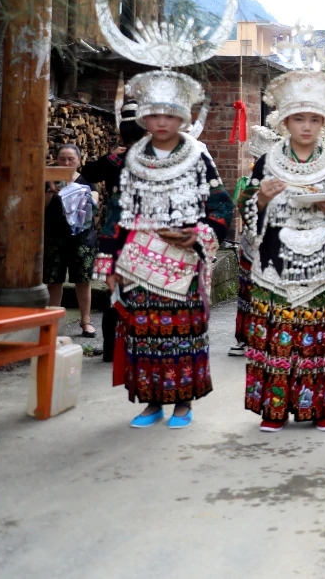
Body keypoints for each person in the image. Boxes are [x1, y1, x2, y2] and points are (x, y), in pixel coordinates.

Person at [103, 71, 233, 429]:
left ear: (182, 119)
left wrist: (199, 234)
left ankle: (183, 403)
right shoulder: (133, 160)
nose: (162, 122)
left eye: (170, 114)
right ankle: (150, 403)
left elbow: (220, 205)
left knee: (182, 334)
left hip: (183, 263)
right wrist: (110, 260)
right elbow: (116, 209)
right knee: (142, 333)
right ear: (144, 117)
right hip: (137, 262)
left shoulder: (197, 158)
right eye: (155, 114)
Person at [238, 70, 325, 433]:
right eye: (299, 118)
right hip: (276, 258)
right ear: (285, 120)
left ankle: (320, 408)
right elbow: (245, 205)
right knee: (276, 334)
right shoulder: (266, 161)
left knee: (319, 337)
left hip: (322, 260)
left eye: (314, 119)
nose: (306, 126)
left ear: (324, 123)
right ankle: (273, 408)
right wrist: (261, 199)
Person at [85, 101, 146, 358]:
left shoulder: (113, 160)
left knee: (116, 289)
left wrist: (111, 155)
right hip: (145, 231)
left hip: (116, 230)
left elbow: (86, 173)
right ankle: (139, 345)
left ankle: (112, 348)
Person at [230, 124, 281, 358]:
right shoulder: (253, 177)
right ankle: (246, 336)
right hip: (254, 240)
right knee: (248, 291)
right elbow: (245, 206)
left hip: (277, 243)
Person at [44, 144, 98, 336]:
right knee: (54, 280)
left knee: (83, 280)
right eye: (62, 159)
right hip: (54, 236)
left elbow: (94, 206)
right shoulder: (49, 179)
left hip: (82, 238)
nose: (66, 162)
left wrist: (76, 195)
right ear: (56, 160)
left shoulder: (87, 181)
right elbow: (42, 206)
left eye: (70, 159)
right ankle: (52, 322)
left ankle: (86, 321)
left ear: (79, 160)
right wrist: (51, 190)